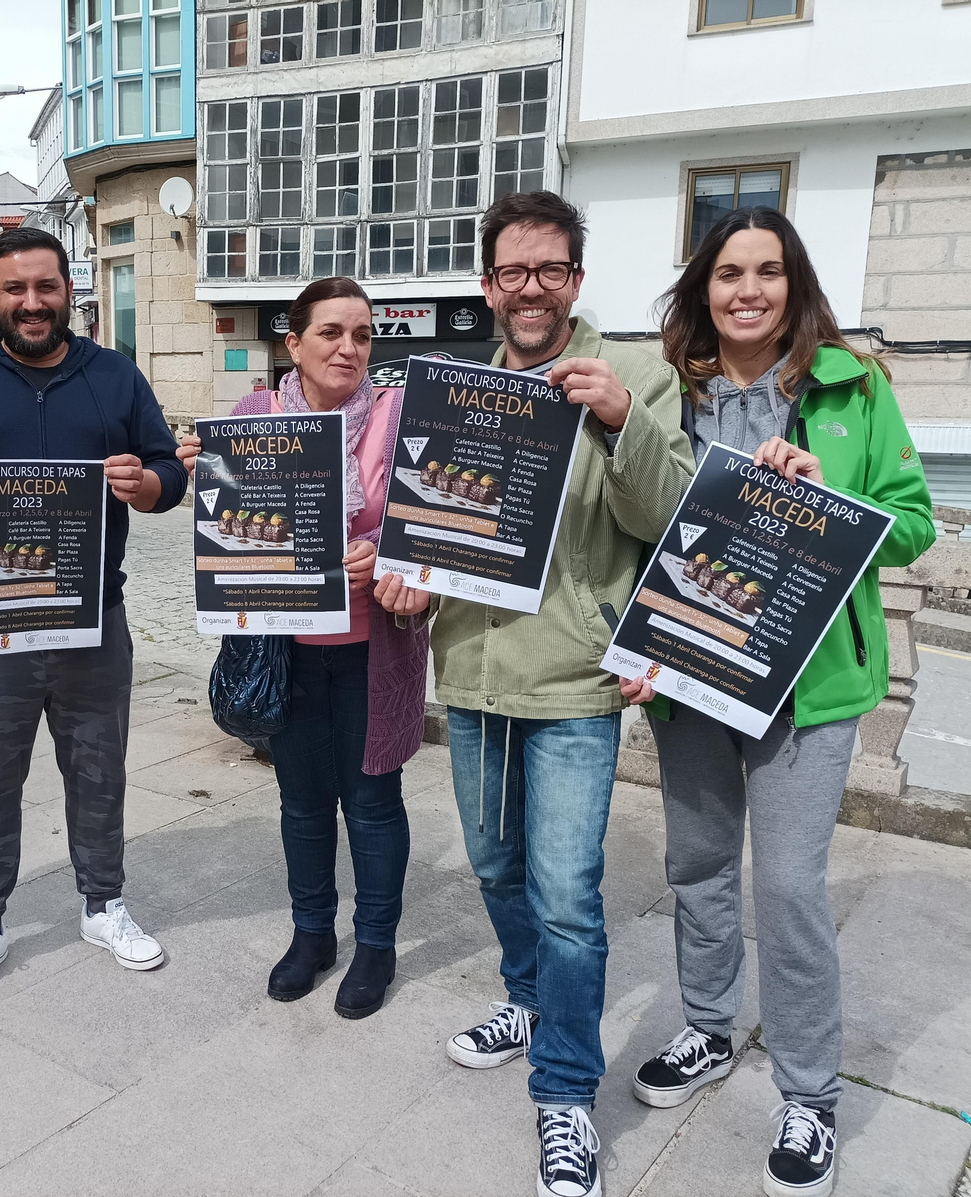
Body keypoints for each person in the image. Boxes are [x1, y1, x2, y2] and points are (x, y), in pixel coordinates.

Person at [376, 191, 695, 1197]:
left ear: (575, 280)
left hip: (573, 680)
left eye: (550, 270)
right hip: (473, 672)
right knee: (494, 865)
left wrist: (618, 418)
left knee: (566, 896)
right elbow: (432, 526)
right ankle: (527, 999)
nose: (530, 289)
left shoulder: (635, 375)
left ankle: (564, 1092)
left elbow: (670, 513)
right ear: (487, 286)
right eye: (512, 272)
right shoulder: (456, 394)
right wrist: (409, 580)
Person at [621, 207, 934, 1197]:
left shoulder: (854, 387)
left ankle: (808, 1094)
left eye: (766, 271)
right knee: (698, 866)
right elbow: (635, 531)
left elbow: (915, 523)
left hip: (812, 689)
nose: (747, 290)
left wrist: (832, 502)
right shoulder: (668, 395)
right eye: (727, 273)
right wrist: (634, 642)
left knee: (791, 887)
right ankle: (708, 1028)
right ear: (702, 288)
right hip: (693, 675)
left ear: (793, 284)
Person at [0, 227, 187, 1005]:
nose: (32, 302)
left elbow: (167, 473)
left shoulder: (114, 376)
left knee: (100, 773)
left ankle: (104, 904)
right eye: (15, 288)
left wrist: (146, 485)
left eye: (46, 286)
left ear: (69, 291)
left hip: (93, 622)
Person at [174, 278, 429, 1019]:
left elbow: (428, 524)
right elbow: (233, 528)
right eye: (331, 332)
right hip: (284, 648)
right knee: (303, 800)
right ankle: (312, 932)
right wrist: (205, 475)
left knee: (373, 800)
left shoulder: (398, 416)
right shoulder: (252, 418)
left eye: (362, 335)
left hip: (372, 646)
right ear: (293, 343)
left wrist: (384, 551)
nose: (349, 348)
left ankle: (375, 944)